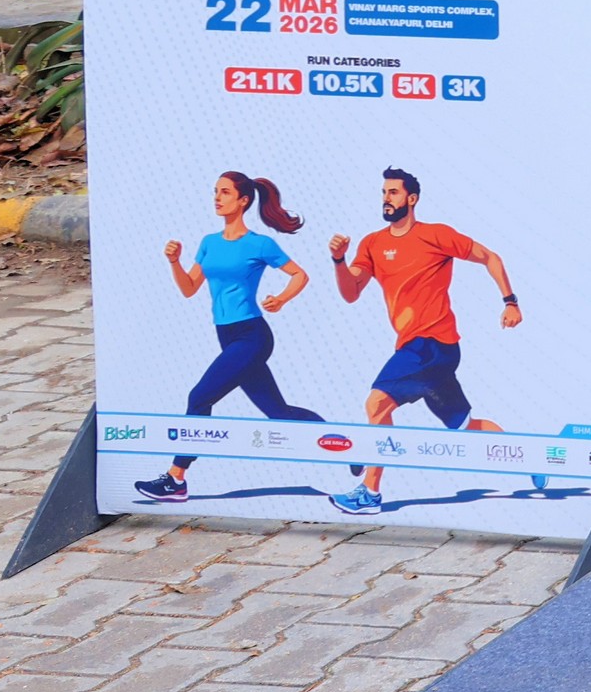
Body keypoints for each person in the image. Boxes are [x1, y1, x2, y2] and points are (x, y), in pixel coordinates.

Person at [324, 166, 520, 514]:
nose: (386, 198)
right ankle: (528, 459)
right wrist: (338, 260)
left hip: (433, 343)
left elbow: (490, 257)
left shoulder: (436, 235)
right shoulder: (372, 243)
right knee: (465, 426)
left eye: (394, 192)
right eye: (384, 192)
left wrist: (510, 301)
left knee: (377, 404)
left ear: (411, 199)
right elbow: (351, 292)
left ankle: (369, 492)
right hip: (420, 350)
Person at [135, 171, 321, 504]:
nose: (217, 198)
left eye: (225, 192)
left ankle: (176, 479)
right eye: (215, 192)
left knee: (199, 397)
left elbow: (299, 275)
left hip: (252, 336)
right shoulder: (209, 242)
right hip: (227, 335)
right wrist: (174, 262)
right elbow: (189, 288)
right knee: (278, 413)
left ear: (243, 200)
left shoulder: (259, 244)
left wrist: (281, 299)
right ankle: (341, 440)